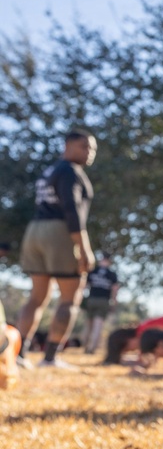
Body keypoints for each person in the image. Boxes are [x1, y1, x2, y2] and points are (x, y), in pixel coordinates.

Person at [15, 129, 98, 371]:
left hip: (35, 231)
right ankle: (50, 357)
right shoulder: (70, 171)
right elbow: (72, 210)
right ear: (67, 146)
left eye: (92, 148)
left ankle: (18, 353)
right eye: (84, 146)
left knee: (37, 297)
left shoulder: (50, 170)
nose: (89, 152)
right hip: (60, 232)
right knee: (70, 297)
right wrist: (84, 248)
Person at [81, 253, 119, 354]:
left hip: (91, 300)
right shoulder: (112, 274)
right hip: (103, 301)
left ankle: (85, 346)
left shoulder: (93, 271)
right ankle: (92, 348)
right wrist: (114, 302)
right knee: (98, 326)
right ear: (109, 261)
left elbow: (84, 286)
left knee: (88, 325)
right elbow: (114, 289)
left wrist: (81, 299)